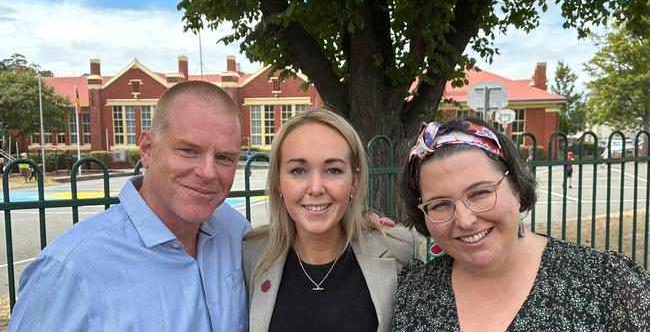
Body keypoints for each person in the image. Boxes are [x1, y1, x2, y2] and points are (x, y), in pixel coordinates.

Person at [9, 81, 252, 331]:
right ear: (147, 150)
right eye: (188, 150)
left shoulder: (236, 232)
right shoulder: (69, 271)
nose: (208, 172)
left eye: (224, 157)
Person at [391, 117, 650, 331]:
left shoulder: (605, 282)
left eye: (480, 193)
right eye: (439, 205)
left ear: (516, 187)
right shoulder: (415, 291)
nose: (466, 220)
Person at [243, 108, 424, 332]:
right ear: (278, 181)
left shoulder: (399, 250)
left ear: (354, 180)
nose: (316, 188)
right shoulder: (251, 256)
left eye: (334, 170)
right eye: (298, 171)